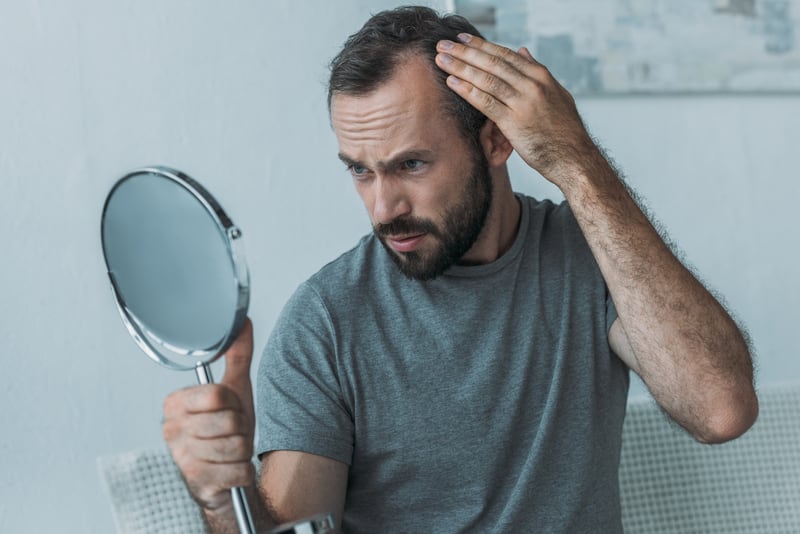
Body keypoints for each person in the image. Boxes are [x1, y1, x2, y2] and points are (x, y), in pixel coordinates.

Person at [162, 6, 758, 533]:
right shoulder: (325, 322)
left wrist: (578, 163)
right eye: (360, 170)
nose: (383, 208)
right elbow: (292, 528)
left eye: (411, 164)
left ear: (497, 142)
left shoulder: (590, 256)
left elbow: (720, 410)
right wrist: (224, 497)